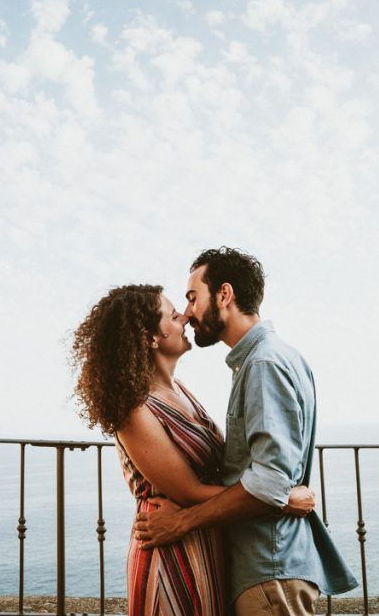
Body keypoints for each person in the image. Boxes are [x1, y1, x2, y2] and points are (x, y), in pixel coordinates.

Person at [133, 248, 358, 616]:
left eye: (192, 298)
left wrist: (182, 522)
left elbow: (268, 484)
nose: (188, 314)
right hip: (269, 567)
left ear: (224, 295)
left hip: (268, 569)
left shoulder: (263, 364)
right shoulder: (274, 357)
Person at [70, 283, 314, 616]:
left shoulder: (182, 391)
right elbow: (188, 490)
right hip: (170, 548)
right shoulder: (135, 409)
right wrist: (282, 500)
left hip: (200, 536)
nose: (185, 317)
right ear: (148, 337)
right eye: (173, 315)